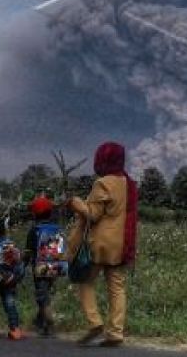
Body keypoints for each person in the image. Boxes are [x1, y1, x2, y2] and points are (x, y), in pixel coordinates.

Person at [67, 141, 139, 347]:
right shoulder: (129, 183)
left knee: (85, 282)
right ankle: (116, 332)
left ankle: (94, 322)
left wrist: (76, 203)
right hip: (121, 243)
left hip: (100, 244)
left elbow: (92, 214)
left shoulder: (103, 183)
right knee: (117, 287)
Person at [25, 194, 67, 337]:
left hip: (41, 266)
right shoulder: (58, 229)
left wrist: (22, 265)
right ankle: (39, 320)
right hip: (57, 265)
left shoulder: (35, 230)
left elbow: (28, 252)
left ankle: (49, 323)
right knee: (46, 292)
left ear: (35, 214)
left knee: (42, 295)